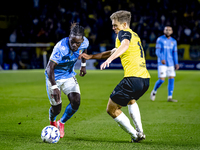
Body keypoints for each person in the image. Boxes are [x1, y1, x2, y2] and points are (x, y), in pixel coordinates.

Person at [79, 10, 150, 142]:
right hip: (145, 80)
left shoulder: (124, 33)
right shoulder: (135, 35)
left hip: (133, 78)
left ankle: (136, 135)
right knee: (131, 100)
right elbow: (113, 51)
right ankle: (140, 131)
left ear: (124, 24)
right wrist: (91, 57)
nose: (113, 28)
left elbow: (125, 45)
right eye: (112, 25)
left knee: (111, 109)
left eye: (115, 25)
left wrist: (110, 60)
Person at [45, 23, 89, 138]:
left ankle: (61, 123)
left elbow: (84, 49)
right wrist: (54, 87)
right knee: (56, 109)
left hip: (69, 75)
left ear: (82, 40)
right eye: (72, 42)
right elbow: (49, 68)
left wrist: (83, 65)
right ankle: (52, 121)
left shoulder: (84, 42)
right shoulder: (60, 48)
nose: (74, 45)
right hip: (54, 77)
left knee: (76, 101)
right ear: (69, 37)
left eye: (77, 43)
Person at [150, 25, 179, 102]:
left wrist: (176, 63)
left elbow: (174, 53)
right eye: (166, 30)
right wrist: (161, 58)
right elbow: (157, 51)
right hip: (162, 63)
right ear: (164, 31)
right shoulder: (160, 39)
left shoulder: (174, 41)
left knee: (171, 79)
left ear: (172, 31)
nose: (168, 31)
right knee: (162, 80)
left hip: (171, 63)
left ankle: (170, 97)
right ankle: (154, 91)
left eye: (169, 30)